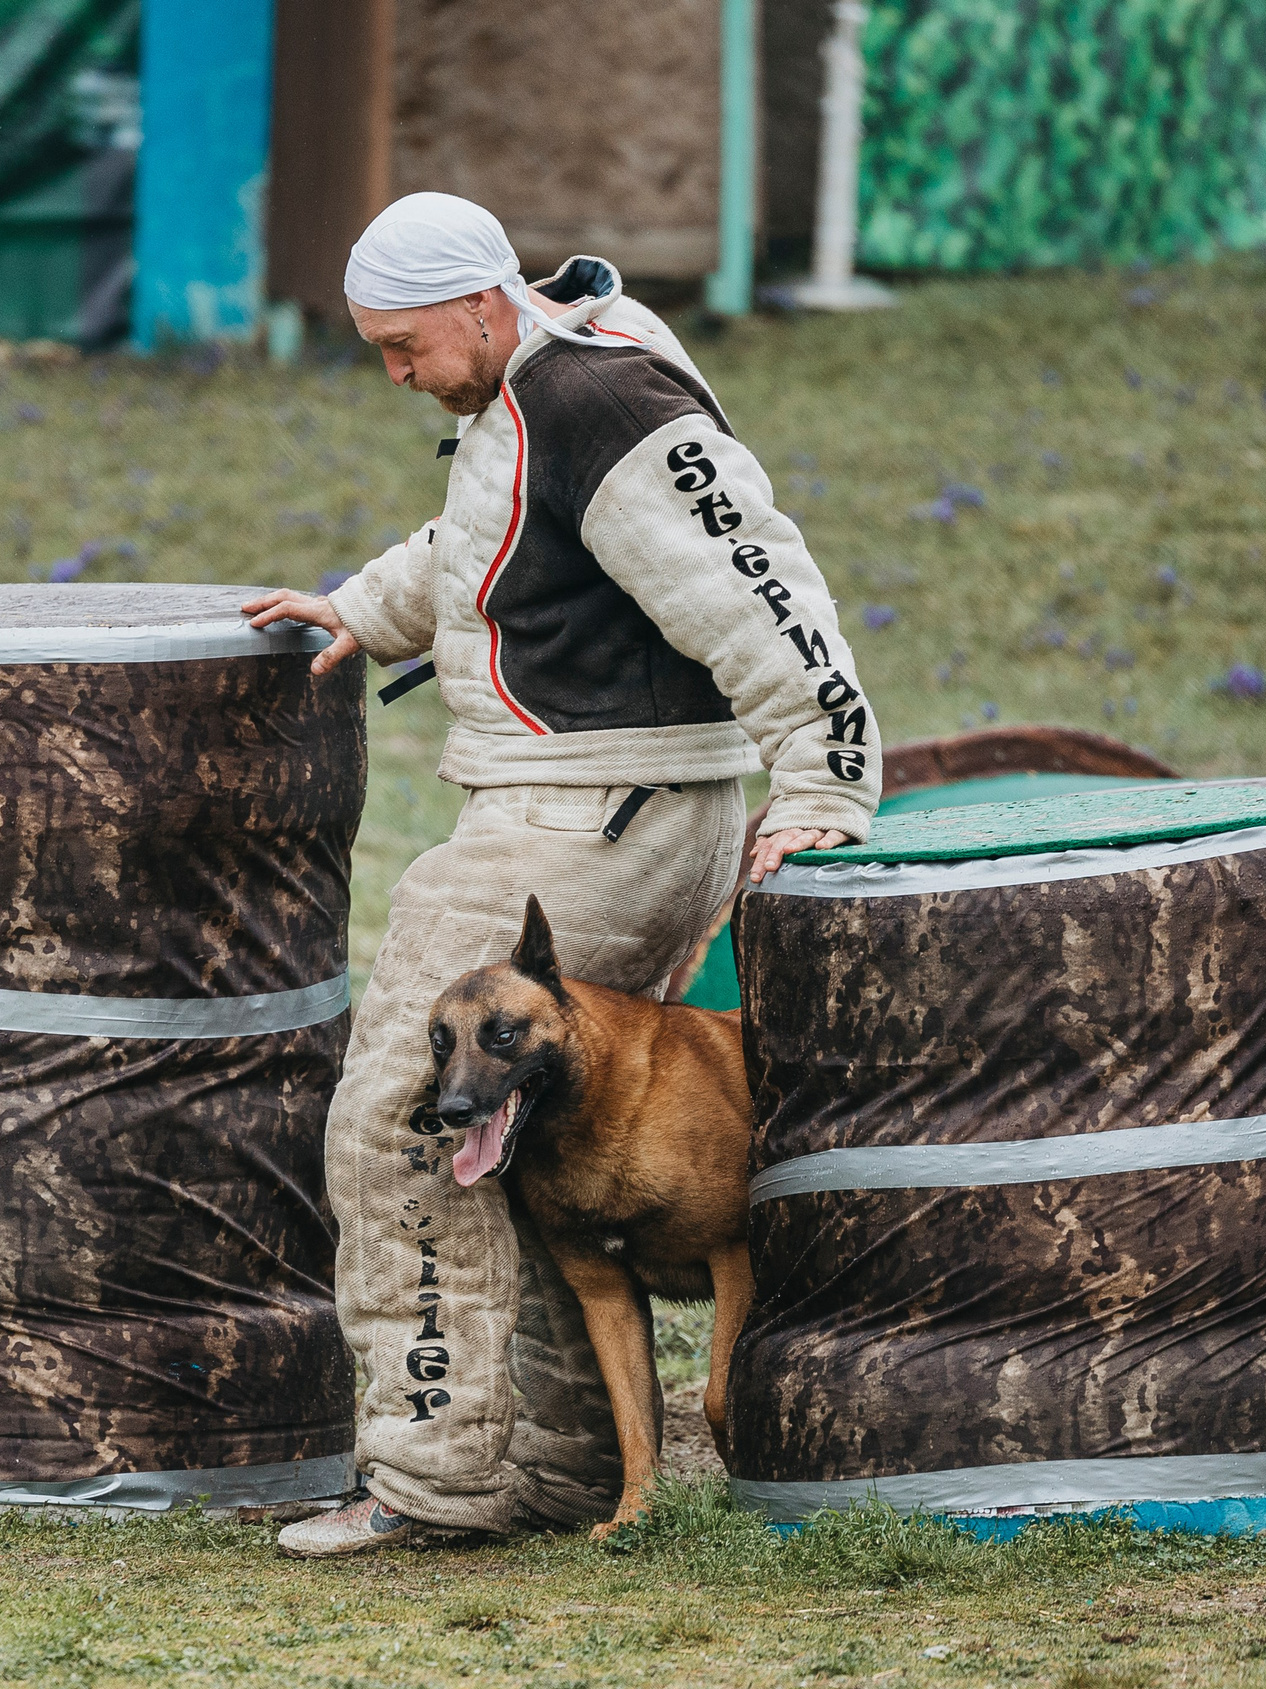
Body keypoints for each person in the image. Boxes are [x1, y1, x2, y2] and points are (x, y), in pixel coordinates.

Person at [244, 192, 879, 1557]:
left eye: (404, 346)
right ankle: (563, 1470)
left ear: (483, 305)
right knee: (528, 1135)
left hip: (587, 816)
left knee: (403, 1122)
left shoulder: (602, 401)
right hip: (619, 802)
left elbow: (759, 578)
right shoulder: (541, 379)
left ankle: (439, 1479)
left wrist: (825, 778)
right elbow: (497, 543)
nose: (392, 373)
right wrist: (359, 608)